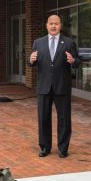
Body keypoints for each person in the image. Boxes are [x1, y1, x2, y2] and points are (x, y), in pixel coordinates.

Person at [28, 14, 79, 158]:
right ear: (46, 25)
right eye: (51, 23)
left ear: (60, 26)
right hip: (44, 87)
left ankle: (63, 148)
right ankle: (45, 147)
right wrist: (30, 60)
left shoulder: (68, 43)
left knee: (64, 118)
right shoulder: (38, 42)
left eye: (56, 23)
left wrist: (73, 60)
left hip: (62, 86)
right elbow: (32, 61)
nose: (53, 26)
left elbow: (78, 61)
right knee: (43, 118)